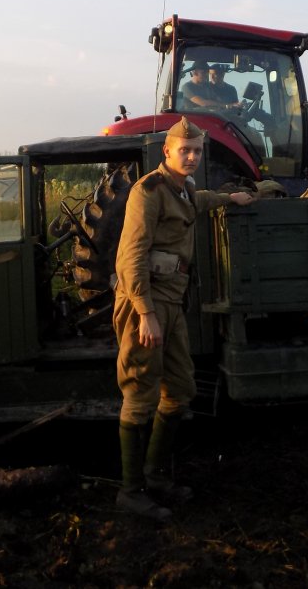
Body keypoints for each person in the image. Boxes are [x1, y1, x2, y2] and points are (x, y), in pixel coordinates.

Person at [114, 117, 255, 521]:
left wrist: (232, 198)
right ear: (167, 152)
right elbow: (130, 257)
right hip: (145, 303)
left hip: (172, 302)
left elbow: (200, 201)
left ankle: (156, 476)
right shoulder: (148, 192)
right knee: (140, 392)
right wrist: (145, 313)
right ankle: (131, 492)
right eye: (185, 151)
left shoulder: (184, 189)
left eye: (196, 151)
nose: (192, 157)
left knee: (179, 389)